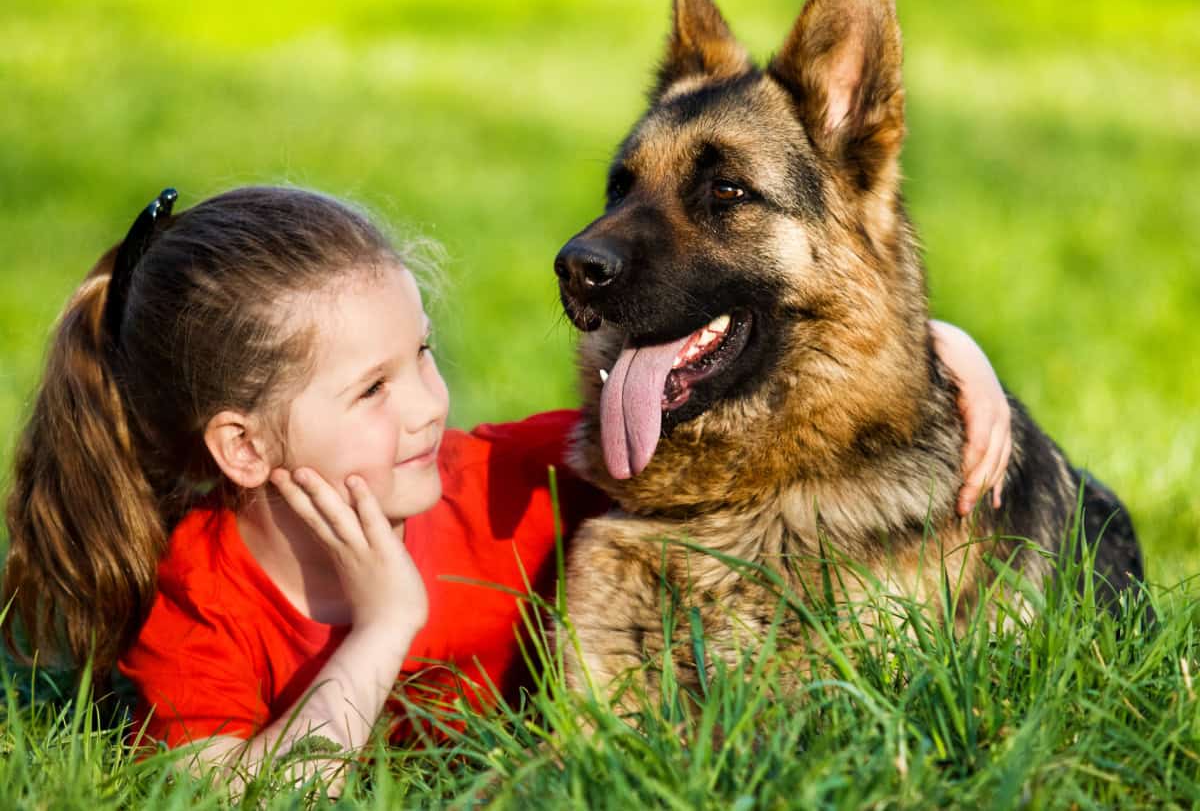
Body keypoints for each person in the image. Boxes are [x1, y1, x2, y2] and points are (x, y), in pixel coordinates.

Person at [0, 186, 1010, 779]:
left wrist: (933, 346)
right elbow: (242, 796)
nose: (429, 406)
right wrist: (384, 626)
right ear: (245, 449)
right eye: (372, 390)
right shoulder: (201, 608)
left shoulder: (499, 485)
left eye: (423, 356)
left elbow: (746, 417)